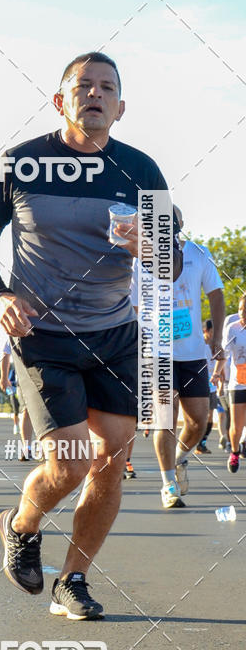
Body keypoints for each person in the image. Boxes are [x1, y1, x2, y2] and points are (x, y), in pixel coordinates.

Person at [0, 51, 182, 619]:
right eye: (83, 85)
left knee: (111, 461)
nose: (95, 94)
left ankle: (73, 580)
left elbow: (175, 263)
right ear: (60, 100)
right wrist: (0, 296)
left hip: (114, 332)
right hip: (44, 334)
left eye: (107, 87)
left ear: (121, 107)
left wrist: (151, 247)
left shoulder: (143, 172)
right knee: (69, 462)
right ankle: (21, 523)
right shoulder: (19, 163)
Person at [132, 211, 224, 507]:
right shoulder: (139, 261)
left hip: (193, 352)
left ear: (179, 226)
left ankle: (180, 459)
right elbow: (133, 307)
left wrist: (218, 337)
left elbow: (217, 294)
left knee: (198, 421)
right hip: (157, 353)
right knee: (165, 420)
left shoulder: (198, 254)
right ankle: (168, 484)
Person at [216, 295, 246, 473]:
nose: (243, 314)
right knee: (236, 424)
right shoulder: (231, 328)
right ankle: (235, 452)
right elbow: (223, 354)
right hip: (238, 382)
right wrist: (216, 373)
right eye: (241, 310)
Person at [0, 339, 34, 461]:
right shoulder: (14, 331)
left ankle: (47, 448)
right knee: (26, 411)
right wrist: (4, 377)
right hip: (24, 380)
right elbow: (5, 354)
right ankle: (27, 448)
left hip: (48, 377)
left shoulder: (48, 325)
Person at [196, 320, 218, 455]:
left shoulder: (215, 346)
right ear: (206, 331)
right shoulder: (198, 346)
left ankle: (202, 443)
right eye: (212, 331)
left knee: (210, 417)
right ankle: (194, 442)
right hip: (200, 385)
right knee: (200, 417)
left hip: (212, 386)